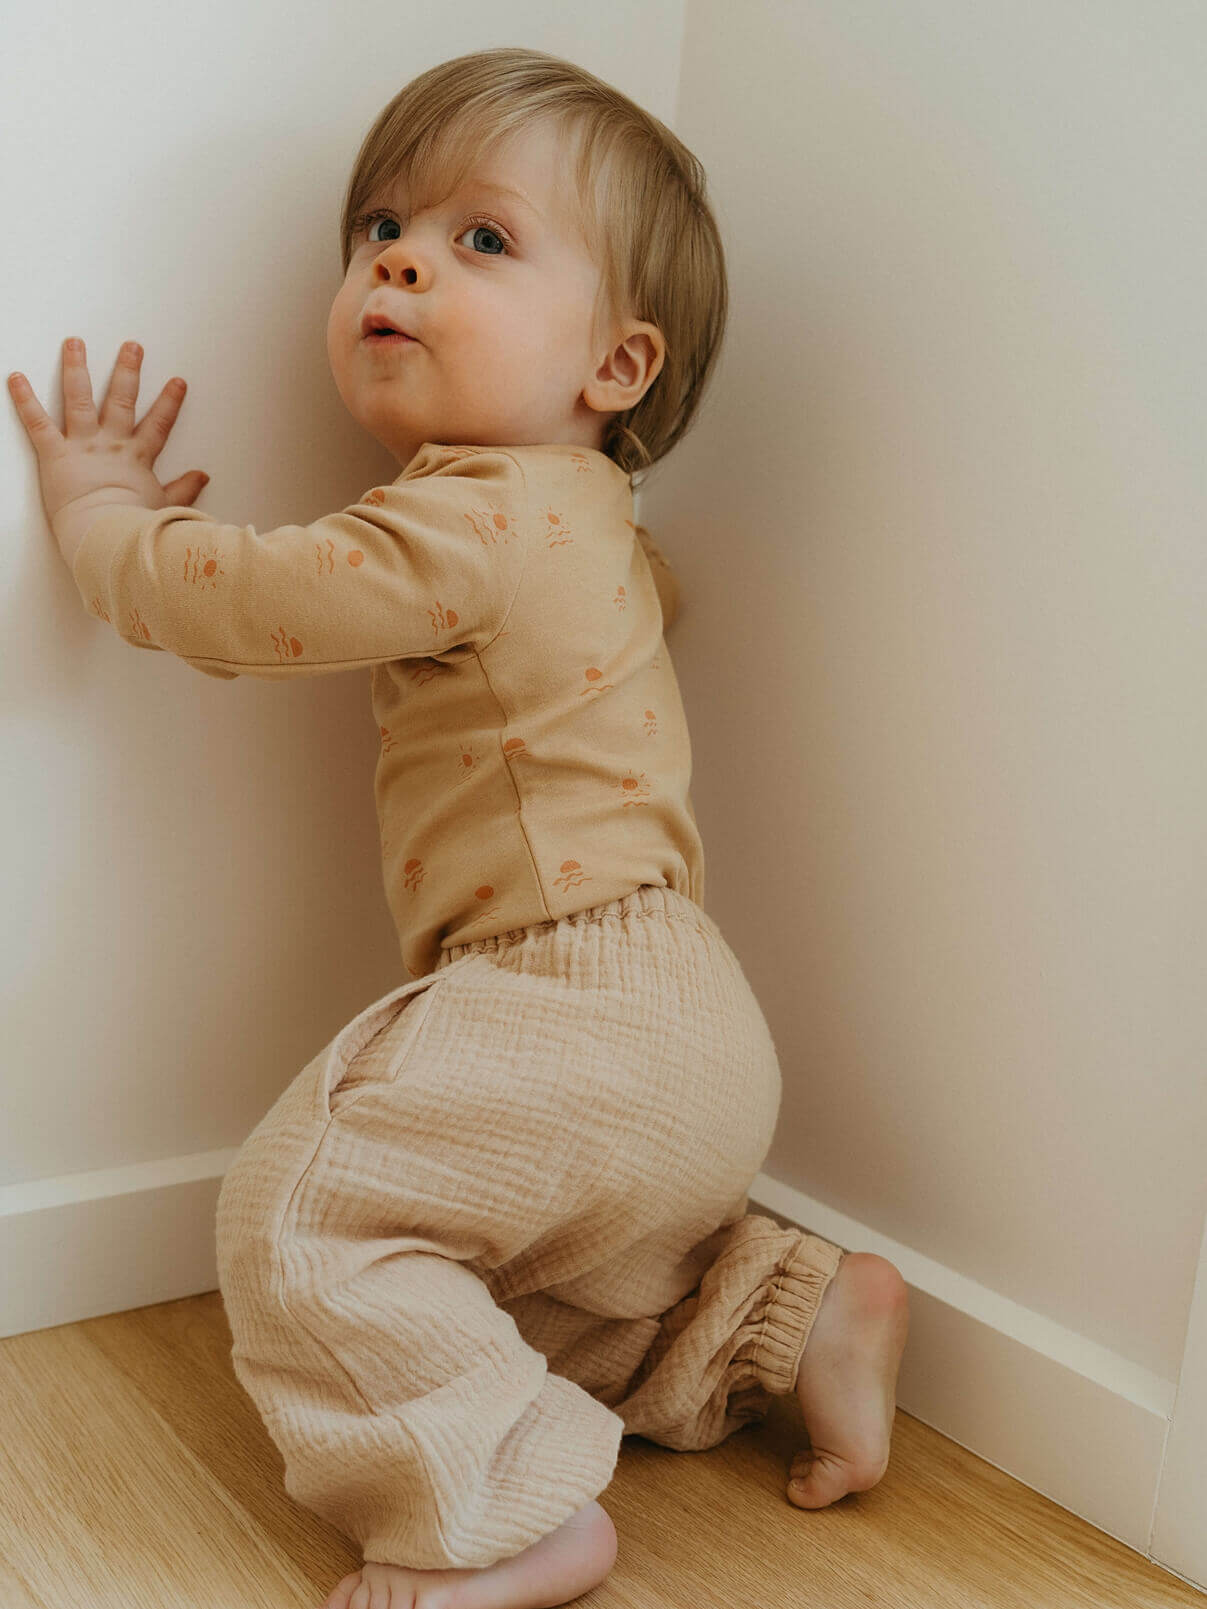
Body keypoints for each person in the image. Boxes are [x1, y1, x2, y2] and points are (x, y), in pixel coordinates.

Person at [7, 45, 910, 1609]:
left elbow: (247, 600)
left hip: (564, 995)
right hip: (690, 1028)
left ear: (614, 369)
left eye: (482, 238)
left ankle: (505, 1520)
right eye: (378, 227)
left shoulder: (474, 510)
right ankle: (790, 1312)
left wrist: (102, 511)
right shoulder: (606, 529)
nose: (402, 255)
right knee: (525, 1293)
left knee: (301, 1216)